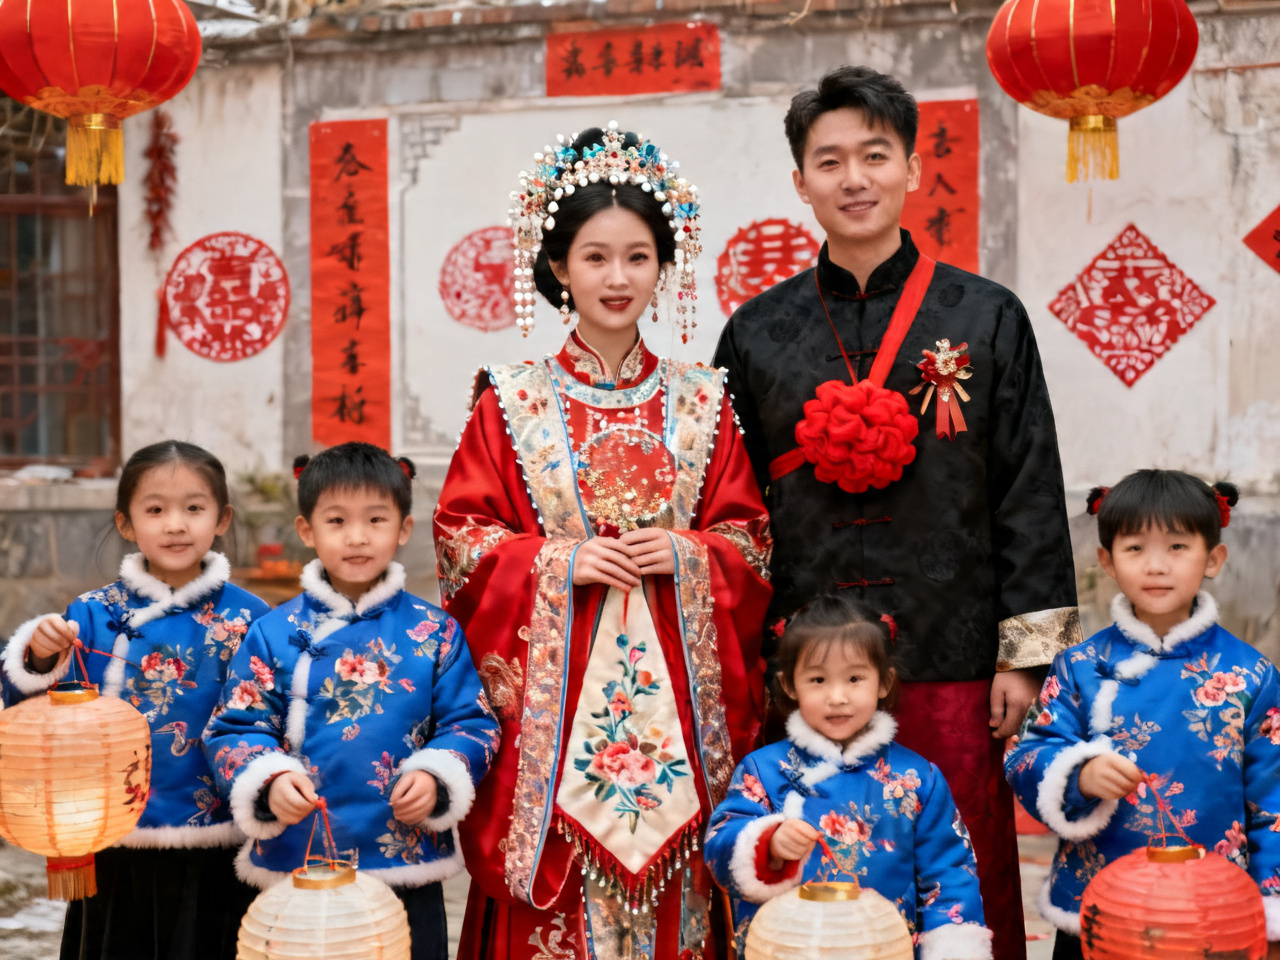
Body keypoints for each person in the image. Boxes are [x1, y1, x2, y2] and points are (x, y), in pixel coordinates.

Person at [711, 65, 1080, 959]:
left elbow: (1027, 484)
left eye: (875, 155)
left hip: (951, 652)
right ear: (800, 182)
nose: (854, 178)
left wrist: (1023, 658)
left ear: (914, 167)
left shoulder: (986, 318)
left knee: (959, 877)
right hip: (806, 668)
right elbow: (731, 507)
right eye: (829, 161)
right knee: (806, 879)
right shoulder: (756, 333)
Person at [434, 123, 773, 960]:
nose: (616, 278)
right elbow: (462, 542)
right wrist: (559, 561)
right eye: (594, 257)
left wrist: (693, 555)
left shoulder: (704, 402)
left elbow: (754, 542)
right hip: (559, 694)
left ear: (664, 265)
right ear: (557, 268)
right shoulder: (507, 401)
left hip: (679, 704)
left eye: (637, 257)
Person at [202, 442, 498, 960]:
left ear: (404, 529)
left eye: (376, 520)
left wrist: (436, 775)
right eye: (337, 520)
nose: (357, 537)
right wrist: (267, 781)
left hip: (405, 861)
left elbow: (471, 723)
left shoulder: (435, 632)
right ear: (306, 530)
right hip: (298, 861)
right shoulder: (273, 632)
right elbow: (234, 728)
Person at [1, 440, 270, 960]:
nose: (175, 524)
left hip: (218, 838)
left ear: (221, 517)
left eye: (194, 508)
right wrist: (37, 656)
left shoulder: (252, 619)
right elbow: (41, 716)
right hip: (115, 835)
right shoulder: (91, 613)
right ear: (126, 523)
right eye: (155, 510)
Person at [1005, 470, 1280, 960]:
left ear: (1213, 558)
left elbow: (1273, 801)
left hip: (1214, 907)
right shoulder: (1078, 666)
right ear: (1107, 561)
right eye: (1135, 549)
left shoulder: (1251, 675)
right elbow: (1027, 756)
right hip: (1096, 899)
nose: (1156, 566)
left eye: (1177, 547)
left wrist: (1269, 912)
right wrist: (1079, 774)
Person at [705, 594, 992, 959]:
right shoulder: (762, 770)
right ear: (791, 686)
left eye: (855, 678)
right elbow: (719, 849)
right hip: (787, 949)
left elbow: (949, 873)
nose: (837, 696)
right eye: (818, 679)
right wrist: (769, 843)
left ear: (884, 682)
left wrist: (952, 948)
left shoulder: (918, 778)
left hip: (883, 949)